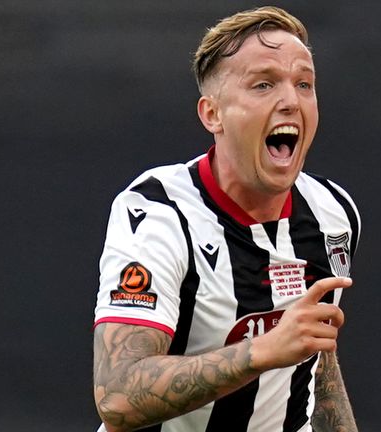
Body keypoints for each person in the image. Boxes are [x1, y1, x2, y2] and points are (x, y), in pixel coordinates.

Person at [93, 6, 361, 432]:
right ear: (212, 114)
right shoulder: (159, 213)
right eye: (263, 84)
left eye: (304, 83)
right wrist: (262, 350)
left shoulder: (332, 213)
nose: (290, 100)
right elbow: (118, 394)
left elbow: (315, 364)